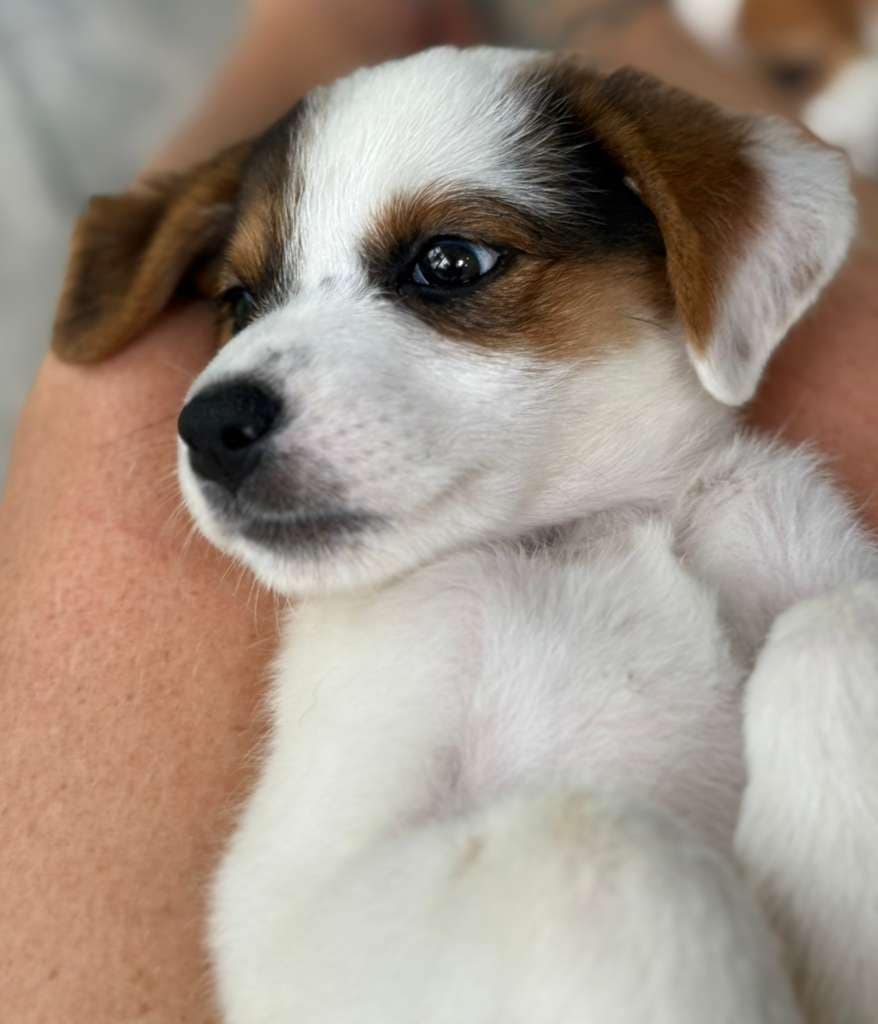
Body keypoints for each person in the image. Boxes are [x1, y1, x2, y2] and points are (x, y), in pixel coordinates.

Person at [1, 1, 875, 1020]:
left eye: (448, 267)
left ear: (705, 249)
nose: (232, 384)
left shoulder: (778, 524)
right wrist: (588, 894)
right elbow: (287, 958)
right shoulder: (405, 615)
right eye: (245, 301)